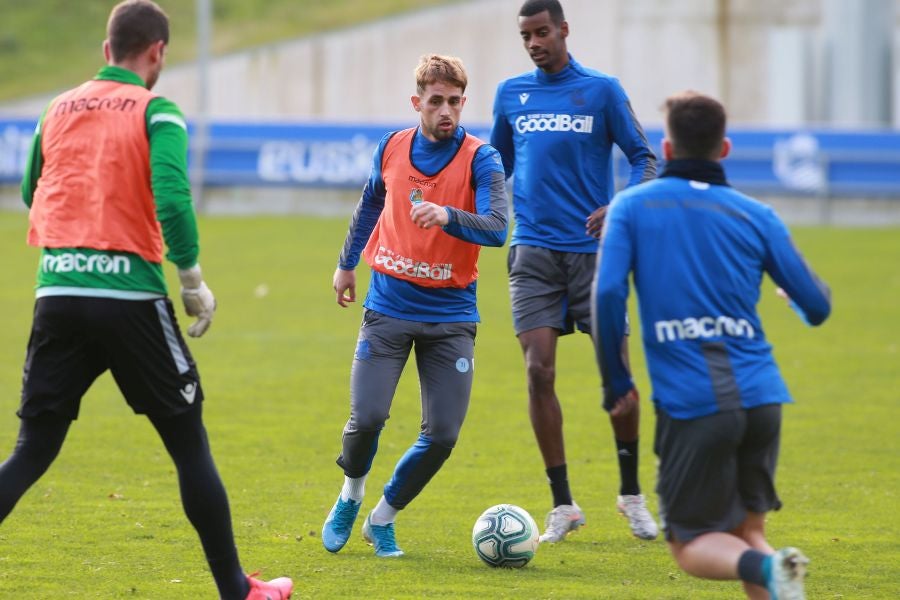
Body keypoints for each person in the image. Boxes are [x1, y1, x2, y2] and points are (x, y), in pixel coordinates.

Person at [4, 2, 293, 598]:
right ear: (156, 52)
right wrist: (190, 280)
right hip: (128, 299)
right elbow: (172, 194)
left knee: (32, 450)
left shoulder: (54, 110)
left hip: (57, 290)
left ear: (107, 50)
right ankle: (238, 591)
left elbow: (33, 187)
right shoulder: (157, 110)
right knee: (189, 442)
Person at [592, 91, 831, 599]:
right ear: (723, 149)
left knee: (691, 542)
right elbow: (818, 305)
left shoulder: (631, 206)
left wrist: (617, 380)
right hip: (763, 397)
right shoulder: (756, 214)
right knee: (749, 538)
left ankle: (769, 571)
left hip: (694, 402)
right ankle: (772, 570)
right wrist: (791, 295)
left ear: (667, 148)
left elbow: (609, 292)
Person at [322, 54, 508, 558]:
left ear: (463, 103)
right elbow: (370, 205)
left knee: (443, 435)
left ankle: (382, 518)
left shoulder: (482, 158)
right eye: (436, 101)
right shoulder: (392, 147)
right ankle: (350, 495)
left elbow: (498, 228)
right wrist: (346, 264)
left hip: (451, 319)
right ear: (417, 103)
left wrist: (447, 214)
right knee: (367, 418)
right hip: (387, 310)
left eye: (454, 102)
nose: (445, 110)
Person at [490, 0, 658, 542]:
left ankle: (631, 493)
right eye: (526, 36)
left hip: (594, 257)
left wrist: (622, 206)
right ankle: (563, 505)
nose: (534, 42)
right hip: (533, 252)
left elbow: (644, 158)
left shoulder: (603, 90)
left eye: (542, 32)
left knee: (619, 377)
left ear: (564, 30)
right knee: (539, 371)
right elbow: (494, 167)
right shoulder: (511, 94)